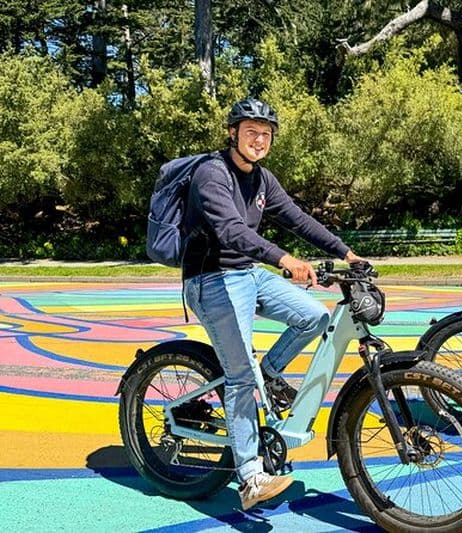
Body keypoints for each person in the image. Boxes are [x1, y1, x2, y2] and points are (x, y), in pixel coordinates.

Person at [182, 97, 364, 510]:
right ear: (233, 133)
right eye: (251, 132)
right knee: (240, 377)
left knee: (314, 316)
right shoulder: (211, 174)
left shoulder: (262, 179)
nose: (259, 139)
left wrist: (345, 252)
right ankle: (249, 477)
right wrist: (284, 260)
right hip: (210, 279)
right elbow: (229, 231)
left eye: (266, 134)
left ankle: (268, 372)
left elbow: (298, 219)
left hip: (248, 274)